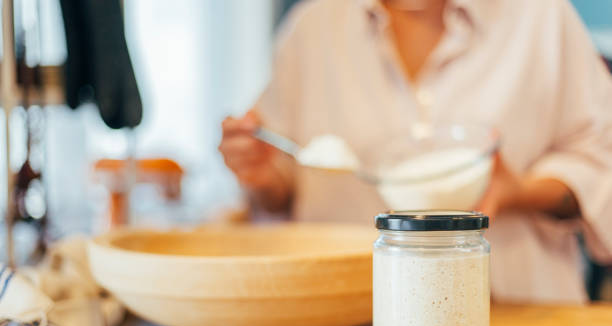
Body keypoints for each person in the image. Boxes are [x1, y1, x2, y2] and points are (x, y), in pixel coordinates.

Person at [219, 0, 612, 303]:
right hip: (341, 321)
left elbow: (600, 157)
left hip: (523, 315)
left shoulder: (541, 17)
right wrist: (262, 177)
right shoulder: (312, 29)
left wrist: (520, 190)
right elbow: (280, 190)